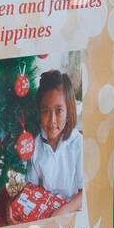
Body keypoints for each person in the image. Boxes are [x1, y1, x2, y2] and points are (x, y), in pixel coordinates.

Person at [26, 69, 83, 214]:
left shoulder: (78, 144)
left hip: (72, 212)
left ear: (68, 111)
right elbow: (31, 189)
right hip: (45, 213)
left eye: (59, 111)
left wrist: (61, 212)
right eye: (46, 111)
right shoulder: (35, 145)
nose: (52, 121)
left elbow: (85, 194)